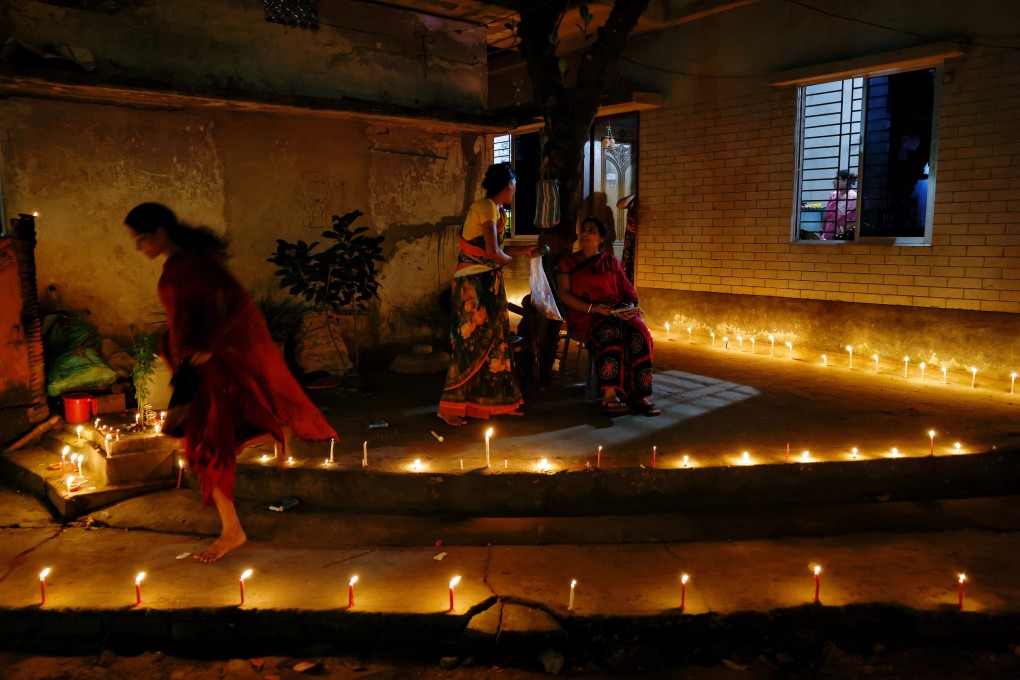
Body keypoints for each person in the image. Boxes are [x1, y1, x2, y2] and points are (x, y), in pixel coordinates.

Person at [125, 202, 337, 563]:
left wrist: (212, 347)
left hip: (210, 370)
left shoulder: (198, 262)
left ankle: (232, 529)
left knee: (208, 447)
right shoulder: (179, 264)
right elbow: (185, 317)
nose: (140, 248)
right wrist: (177, 349)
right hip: (192, 369)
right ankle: (273, 436)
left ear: (161, 230)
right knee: (204, 444)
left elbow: (236, 305)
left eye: (142, 239)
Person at [438, 163, 543, 426]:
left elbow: (495, 251)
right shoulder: (485, 207)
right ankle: (448, 406)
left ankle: (495, 403)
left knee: (495, 342)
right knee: (469, 344)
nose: (516, 190)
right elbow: (494, 254)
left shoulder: (497, 211)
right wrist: (509, 258)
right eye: (515, 185)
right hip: (473, 283)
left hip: (489, 280)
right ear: (509, 185)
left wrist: (523, 252)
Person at [556, 216, 660, 416]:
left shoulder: (610, 261)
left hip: (614, 311)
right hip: (587, 315)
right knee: (610, 335)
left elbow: (629, 294)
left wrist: (627, 308)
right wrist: (594, 308)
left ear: (601, 239)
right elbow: (564, 294)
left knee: (640, 332)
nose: (585, 233)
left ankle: (639, 395)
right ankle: (610, 396)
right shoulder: (568, 261)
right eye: (584, 230)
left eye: (592, 230)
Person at [821, 170, 857, 240]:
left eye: (837, 179)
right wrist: (821, 230)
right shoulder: (833, 196)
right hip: (826, 238)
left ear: (845, 181)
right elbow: (826, 217)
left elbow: (856, 221)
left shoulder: (854, 198)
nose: (834, 181)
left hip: (842, 238)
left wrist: (842, 230)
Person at [616, 193, 638, 283]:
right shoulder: (634, 200)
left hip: (641, 237)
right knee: (627, 264)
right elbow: (620, 204)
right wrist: (635, 194)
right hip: (630, 236)